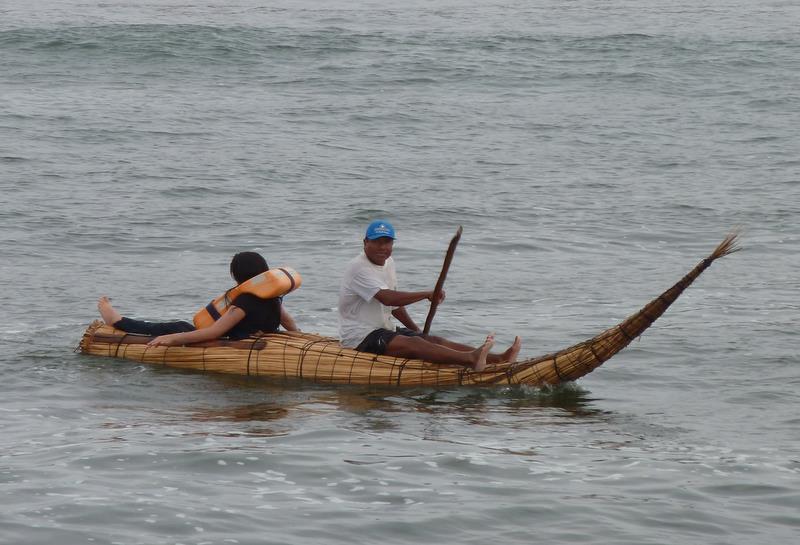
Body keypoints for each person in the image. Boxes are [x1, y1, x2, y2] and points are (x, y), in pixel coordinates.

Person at [338, 220, 521, 371]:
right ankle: (470, 359)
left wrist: (417, 330)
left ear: (392, 244)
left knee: (431, 340)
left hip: (383, 328)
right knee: (416, 344)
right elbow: (388, 298)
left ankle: (498, 359)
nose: (382, 247)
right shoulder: (358, 268)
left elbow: (394, 307)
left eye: (387, 242)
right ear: (365, 243)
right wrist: (427, 294)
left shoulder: (389, 263)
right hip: (360, 337)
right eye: (377, 242)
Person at [97, 251, 298, 347]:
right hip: (261, 341)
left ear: (237, 276)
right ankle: (120, 321)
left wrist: (174, 339)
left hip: (233, 344)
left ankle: (117, 321)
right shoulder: (272, 296)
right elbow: (288, 322)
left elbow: (215, 331)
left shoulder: (245, 300)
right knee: (180, 326)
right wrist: (297, 336)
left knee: (178, 326)